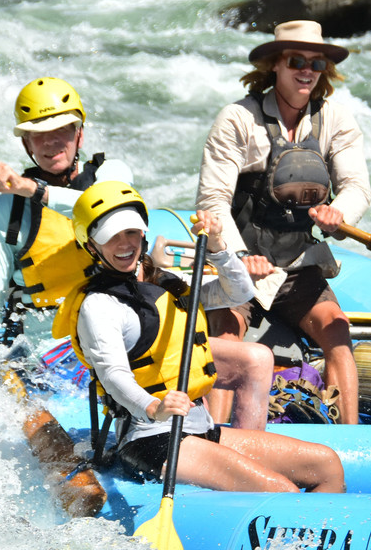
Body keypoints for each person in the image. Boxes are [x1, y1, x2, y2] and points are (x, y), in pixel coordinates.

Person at [54, 180, 345, 493]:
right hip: (151, 439)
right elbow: (113, 375)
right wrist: (154, 407)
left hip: (200, 428)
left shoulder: (163, 283)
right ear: (91, 245)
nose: (124, 243)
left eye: (130, 231)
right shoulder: (98, 306)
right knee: (280, 489)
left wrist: (220, 249)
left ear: (143, 232)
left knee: (327, 465)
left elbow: (240, 292)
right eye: (110, 236)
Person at [196, 19, 371, 425]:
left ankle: (348, 440)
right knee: (226, 333)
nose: (307, 70)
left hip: (298, 264)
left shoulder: (336, 120)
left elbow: (357, 188)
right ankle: (216, 437)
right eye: (296, 60)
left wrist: (338, 213)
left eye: (316, 63)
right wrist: (239, 258)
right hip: (239, 267)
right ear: (275, 65)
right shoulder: (238, 119)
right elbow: (213, 201)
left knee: (338, 333)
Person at [0, 76, 134, 406]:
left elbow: (105, 208)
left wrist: (31, 189)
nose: (52, 142)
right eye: (39, 135)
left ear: (79, 134)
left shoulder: (113, 174)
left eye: (62, 130)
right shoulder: (9, 205)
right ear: (27, 144)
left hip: (122, 323)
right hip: (51, 343)